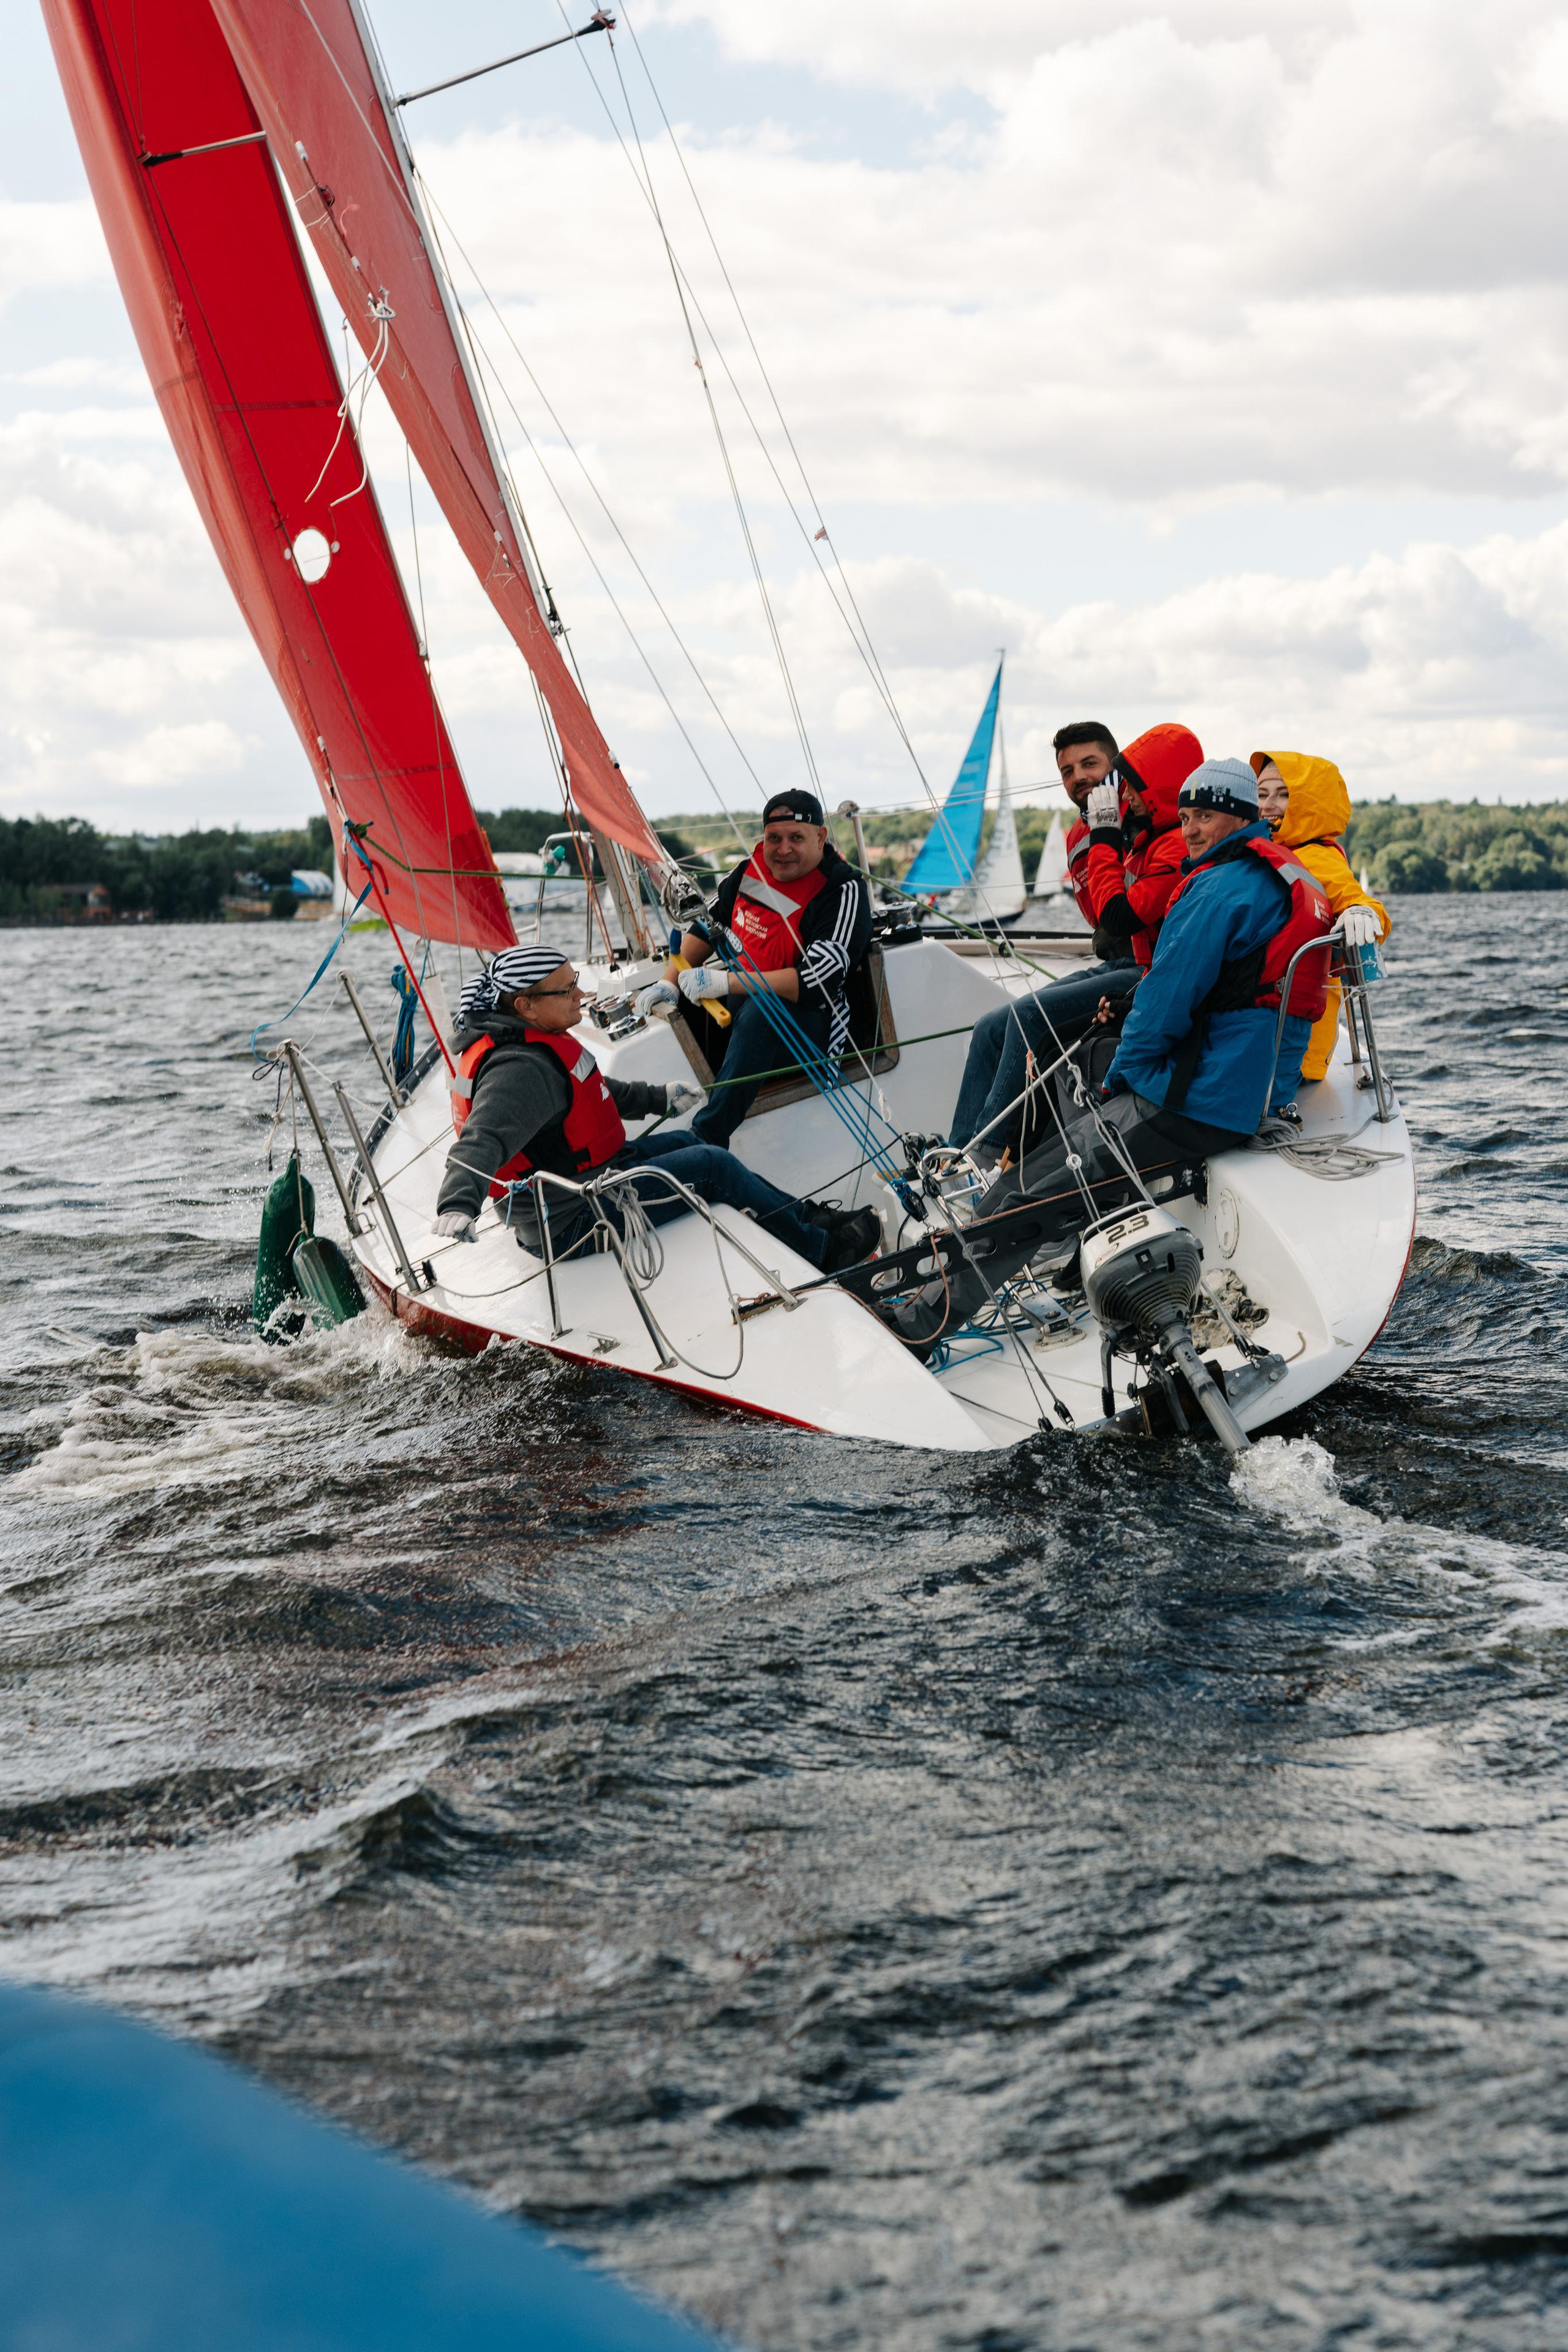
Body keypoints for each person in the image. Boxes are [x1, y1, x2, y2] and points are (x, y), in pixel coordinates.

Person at [876, 760, 1335, 1349]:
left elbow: (1164, 1008)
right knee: (1070, 1103)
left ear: (1242, 817)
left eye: (1205, 816)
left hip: (1196, 1103)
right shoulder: (1287, 879)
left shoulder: (1216, 890)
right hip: (1242, 1092)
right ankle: (1071, 1233)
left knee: (1025, 1193)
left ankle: (920, 1326)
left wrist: (1119, 1080)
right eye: (1186, 817)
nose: (1192, 830)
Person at [432, 946, 879, 1275]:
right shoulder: (519, 1072)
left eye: (576, 981)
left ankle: (806, 1219)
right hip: (573, 1219)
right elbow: (482, 1139)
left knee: (690, 1142)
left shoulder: (535, 1042)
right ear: (525, 1006)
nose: (581, 993)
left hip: (595, 1177)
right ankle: (822, 1251)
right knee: (713, 1165)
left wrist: (659, 1097)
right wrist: (457, 1204)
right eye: (567, 989)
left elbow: (592, 1090)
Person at [948, 722, 1203, 1158]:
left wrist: (1108, 835)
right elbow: (1098, 918)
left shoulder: (1149, 825)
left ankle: (986, 1153)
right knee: (990, 1027)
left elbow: (1118, 916)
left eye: (1090, 764)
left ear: (1119, 769)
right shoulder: (1078, 838)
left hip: (1145, 967)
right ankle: (955, 1154)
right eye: (1067, 771)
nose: (1079, 777)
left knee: (1031, 1016)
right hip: (1116, 961)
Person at [645, 791, 872, 1152]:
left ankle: (707, 1136)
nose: (783, 850)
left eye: (796, 838)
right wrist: (668, 983)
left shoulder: (842, 890)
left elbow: (819, 982)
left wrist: (726, 982)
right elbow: (707, 924)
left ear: (820, 837)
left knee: (763, 1012)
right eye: (774, 838)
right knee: (690, 1002)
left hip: (812, 1029)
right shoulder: (749, 872)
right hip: (743, 1009)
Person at [1251, 749, 1390, 1085]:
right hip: (1268, 1023)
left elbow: (1360, 901)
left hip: (1296, 1043)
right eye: (1262, 794)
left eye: (1283, 795)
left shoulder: (1316, 857)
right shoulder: (1264, 849)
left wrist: (1361, 912)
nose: (1268, 804)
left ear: (1308, 803)